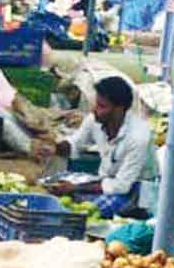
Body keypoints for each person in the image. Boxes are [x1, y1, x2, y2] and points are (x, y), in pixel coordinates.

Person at [36, 76, 158, 218]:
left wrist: (75, 188)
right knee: (56, 183)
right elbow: (75, 144)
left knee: (86, 211)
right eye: (96, 104)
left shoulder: (138, 137)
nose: (95, 110)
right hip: (105, 180)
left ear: (119, 109)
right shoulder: (95, 120)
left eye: (102, 106)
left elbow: (121, 186)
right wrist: (54, 148)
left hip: (135, 189)